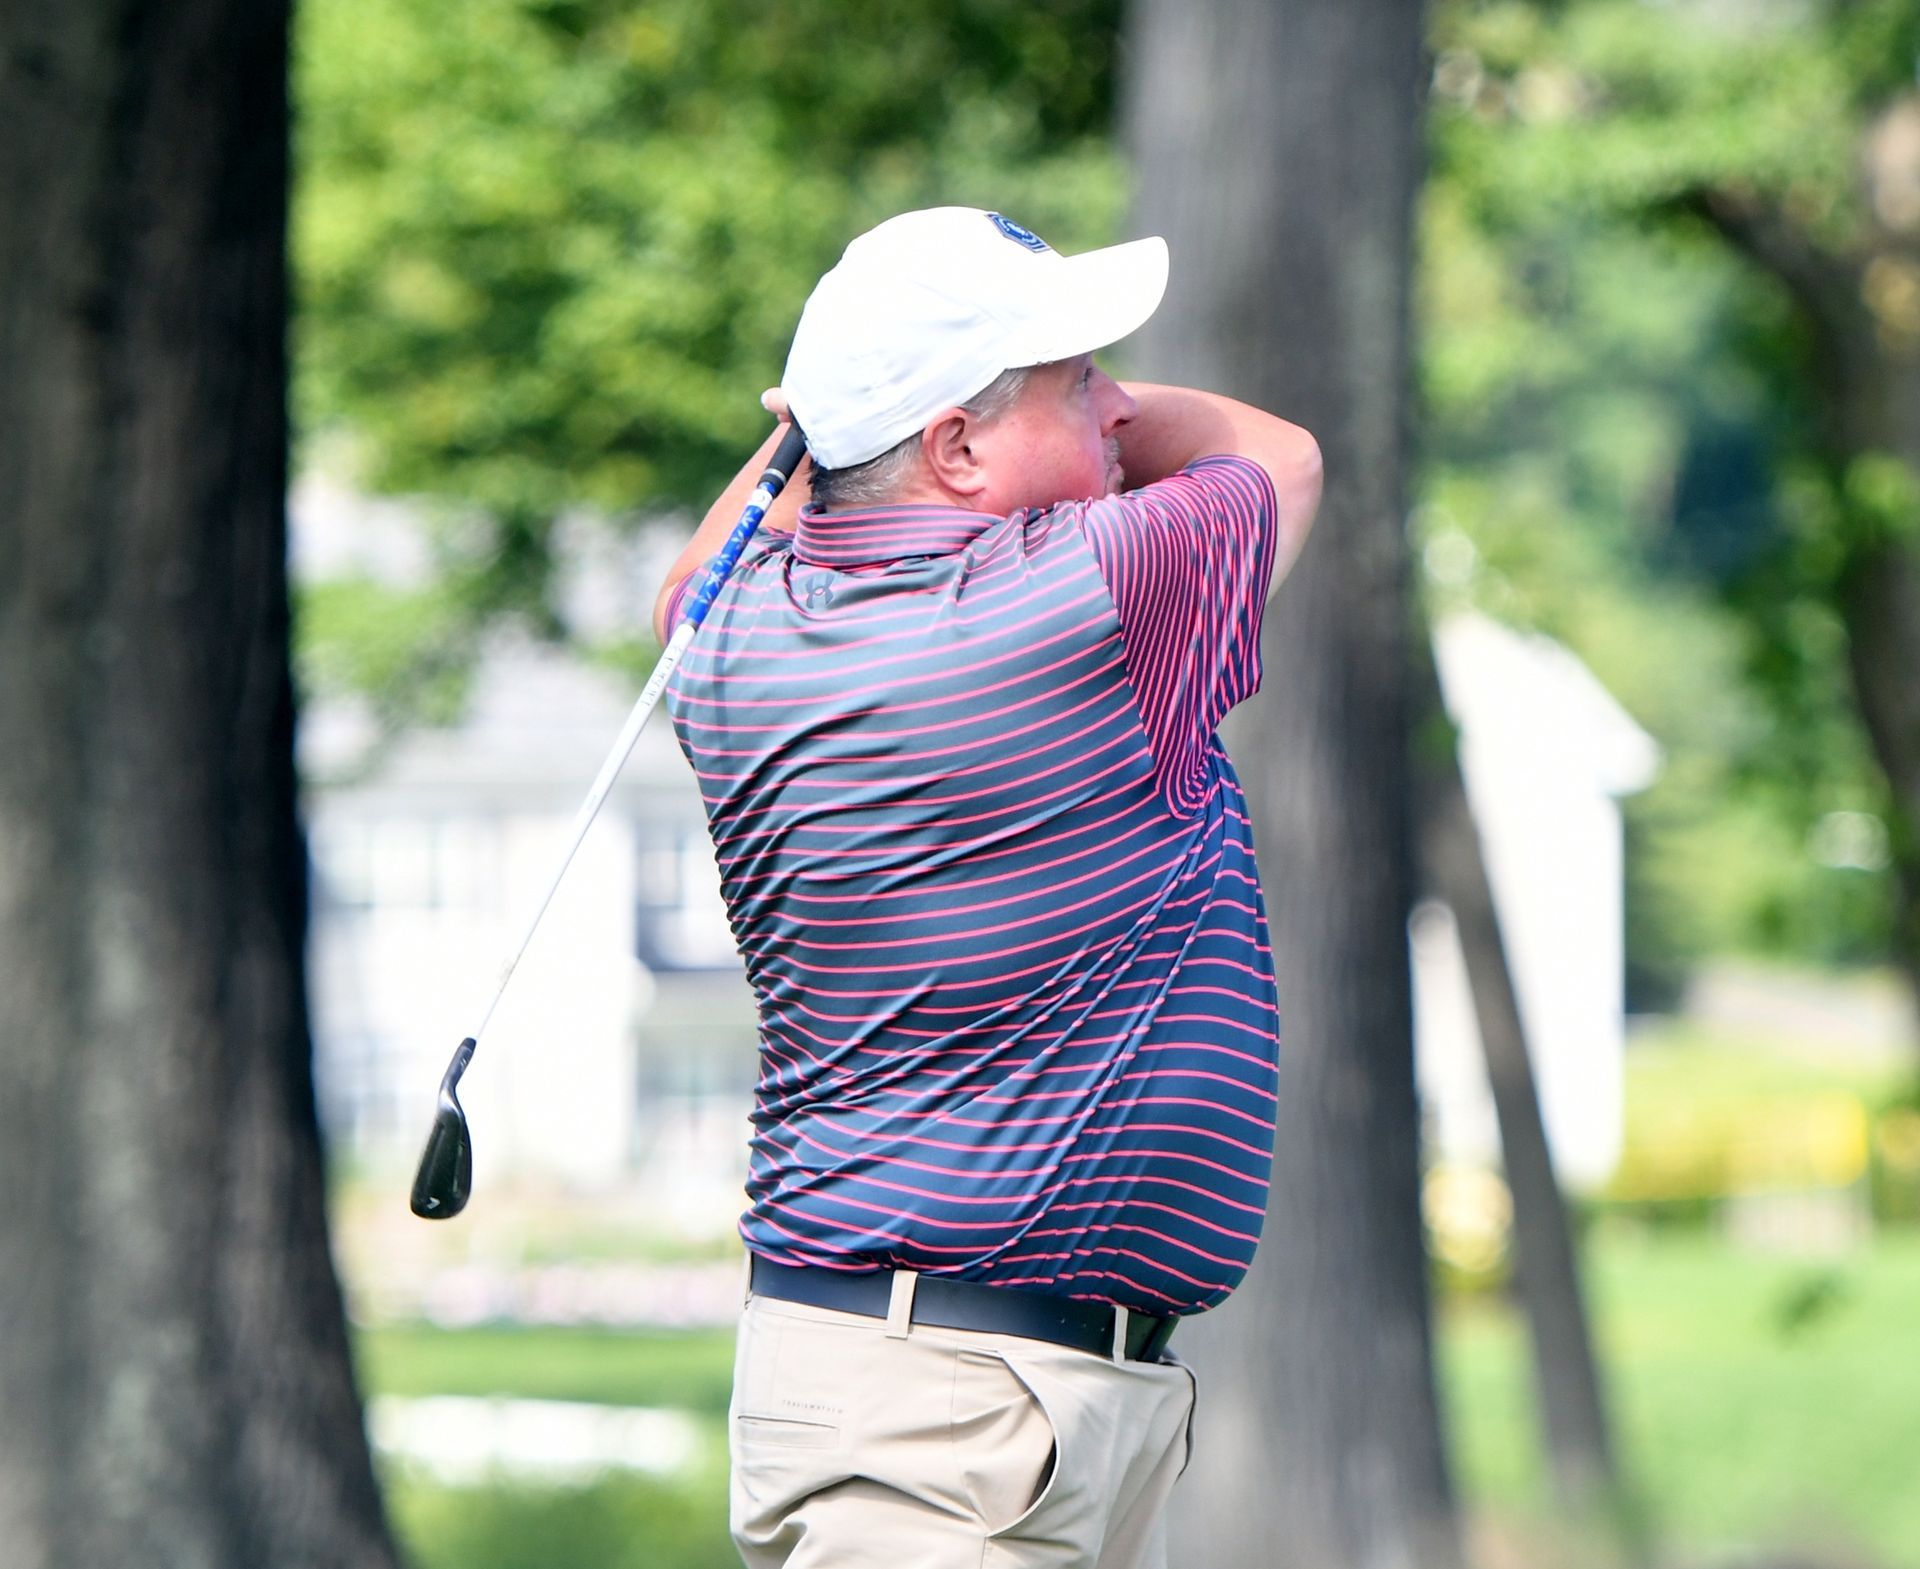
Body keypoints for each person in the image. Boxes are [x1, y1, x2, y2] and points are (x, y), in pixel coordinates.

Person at [652, 207, 1322, 1569]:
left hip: (977, 1396)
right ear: (954, 446)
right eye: (1080, 383)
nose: (1122, 407)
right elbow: (1281, 456)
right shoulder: (1085, 595)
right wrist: (825, 428)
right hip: (950, 1419)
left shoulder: (729, 638)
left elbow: (691, 576)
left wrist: (823, 428)